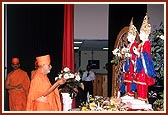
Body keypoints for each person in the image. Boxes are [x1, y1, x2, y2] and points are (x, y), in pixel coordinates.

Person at [133, 14, 156, 102]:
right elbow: (138, 55)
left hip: (144, 68)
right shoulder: (140, 44)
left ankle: (142, 100)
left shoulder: (147, 43)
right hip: (140, 67)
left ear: (146, 34)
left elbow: (146, 55)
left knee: (142, 85)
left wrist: (138, 53)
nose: (140, 35)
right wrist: (136, 53)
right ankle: (139, 99)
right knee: (138, 85)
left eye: (141, 33)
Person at [120, 18, 138, 98]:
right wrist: (122, 54)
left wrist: (129, 55)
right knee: (126, 80)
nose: (127, 37)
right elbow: (126, 56)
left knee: (131, 80)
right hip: (127, 65)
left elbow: (136, 55)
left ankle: (131, 94)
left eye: (129, 36)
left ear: (133, 36)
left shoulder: (135, 45)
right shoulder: (129, 45)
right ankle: (128, 94)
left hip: (131, 66)